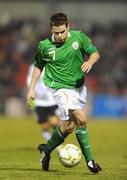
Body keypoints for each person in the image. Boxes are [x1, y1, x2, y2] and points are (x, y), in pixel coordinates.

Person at [27, 13, 102, 173]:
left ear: (68, 27)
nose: (60, 36)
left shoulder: (79, 37)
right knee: (81, 119)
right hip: (60, 88)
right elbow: (38, 66)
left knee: (68, 126)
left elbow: (95, 52)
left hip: (79, 87)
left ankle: (46, 150)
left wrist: (90, 61)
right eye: (56, 33)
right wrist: (31, 88)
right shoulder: (45, 46)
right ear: (52, 30)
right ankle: (91, 162)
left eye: (62, 31)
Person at [27, 64, 59, 141]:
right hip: (40, 101)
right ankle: (48, 139)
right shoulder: (33, 67)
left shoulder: (53, 65)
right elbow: (29, 80)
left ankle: (56, 141)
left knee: (54, 122)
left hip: (52, 99)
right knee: (44, 125)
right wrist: (32, 91)